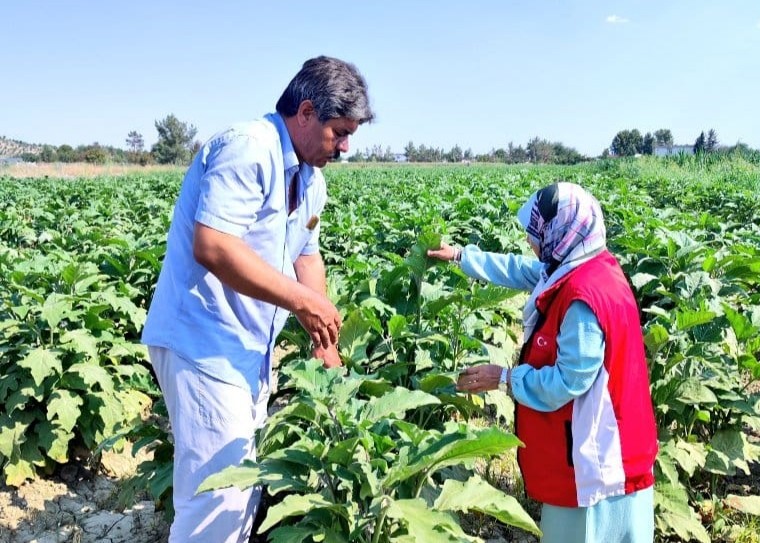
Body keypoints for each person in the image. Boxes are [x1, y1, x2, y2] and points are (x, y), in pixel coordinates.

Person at [141, 55, 374, 543]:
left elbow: (307, 258)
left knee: (242, 487)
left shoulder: (311, 180)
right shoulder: (248, 148)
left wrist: (325, 340)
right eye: (340, 131)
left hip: (247, 347)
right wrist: (301, 304)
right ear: (306, 112)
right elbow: (214, 245)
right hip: (202, 341)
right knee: (215, 500)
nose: (346, 146)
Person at [427, 182, 658, 543]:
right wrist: (460, 256)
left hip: (594, 464)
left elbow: (568, 383)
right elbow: (522, 269)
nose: (531, 242)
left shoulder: (582, 299)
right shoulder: (589, 264)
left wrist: (504, 378)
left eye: (537, 232)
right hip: (615, 448)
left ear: (559, 232)